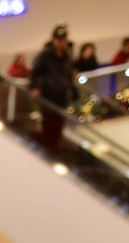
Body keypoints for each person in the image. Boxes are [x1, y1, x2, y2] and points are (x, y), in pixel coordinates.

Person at [29, 25, 76, 153]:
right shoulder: (46, 55)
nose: (60, 42)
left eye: (63, 39)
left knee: (59, 125)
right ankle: (48, 150)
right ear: (54, 40)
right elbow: (35, 73)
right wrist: (34, 88)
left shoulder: (66, 56)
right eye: (58, 39)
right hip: (49, 96)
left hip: (61, 96)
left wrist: (72, 90)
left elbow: (68, 75)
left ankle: (55, 149)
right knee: (48, 124)